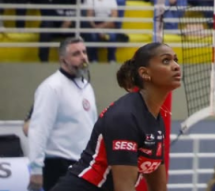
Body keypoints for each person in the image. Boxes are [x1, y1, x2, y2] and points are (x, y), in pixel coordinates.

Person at [50, 42, 181, 191]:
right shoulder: (125, 117)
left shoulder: (155, 119)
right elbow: (124, 188)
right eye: (166, 61)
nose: (176, 66)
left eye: (176, 60)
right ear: (144, 73)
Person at [27, 38, 97, 191]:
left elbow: (92, 127)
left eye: (84, 52)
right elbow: (38, 130)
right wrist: (36, 169)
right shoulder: (51, 88)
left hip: (83, 165)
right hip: (58, 166)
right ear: (63, 60)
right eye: (76, 54)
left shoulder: (86, 87)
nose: (83, 57)